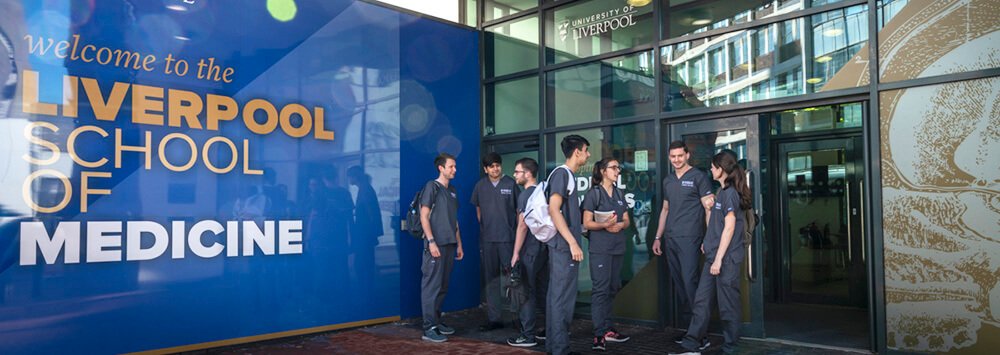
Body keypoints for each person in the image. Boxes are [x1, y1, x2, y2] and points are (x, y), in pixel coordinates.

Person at [673, 150, 751, 355]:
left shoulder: (732, 194)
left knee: (728, 306)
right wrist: (708, 235)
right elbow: (717, 224)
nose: (710, 169)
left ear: (722, 169)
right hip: (713, 256)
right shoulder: (721, 193)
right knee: (701, 301)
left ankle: (731, 348)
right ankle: (691, 344)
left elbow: (730, 227)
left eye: (713, 166)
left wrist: (717, 259)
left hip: (725, 260)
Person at [652, 141, 714, 347]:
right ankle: (692, 331)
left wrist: (708, 238)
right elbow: (665, 210)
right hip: (670, 239)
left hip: (690, 238)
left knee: (690, 284)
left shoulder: (699, 177)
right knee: (681, 287)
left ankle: (700, 336)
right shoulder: (668, 180)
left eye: (680, 156)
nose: (676, 160)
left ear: (687, 155)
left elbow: (708, 209)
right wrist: (658, 237)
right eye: (673, 157)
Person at [546, 134, 590, 355]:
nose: (588, 154)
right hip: (563, 247)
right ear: (577, 152)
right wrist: (573, 242)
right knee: (562, 297)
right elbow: (554, 209)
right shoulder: (563, 175)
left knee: (559, 296)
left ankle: (556, 347)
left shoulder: (567, 176)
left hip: (563, 245)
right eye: (586, 150)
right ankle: (559, 349)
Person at [581, 158, 632, 351]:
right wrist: (604, 225)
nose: (617, 170)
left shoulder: (619, 193)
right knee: (601, 290)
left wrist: (621, 224)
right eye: (614, 167)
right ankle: (598, 334)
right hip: (600, 250)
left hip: (618, 248)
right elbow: (587, 223)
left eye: (618, 167)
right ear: (603, 171)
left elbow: (626, 219)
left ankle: (609, 329)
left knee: (612, 288)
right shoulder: (594, 194)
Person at [470, 152, 520, 331]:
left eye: (498, 165)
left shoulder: (511, 184)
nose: (495, 168)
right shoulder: (480, 186)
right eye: (491, 166)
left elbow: (518, 211)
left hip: (507, 240)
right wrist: (486, 228)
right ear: (486, 169)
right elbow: (478, 211)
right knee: (491, 280)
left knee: (513, 279)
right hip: (488, 240)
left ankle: (517, 318)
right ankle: (495, 319)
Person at [419, 153, 465, 342]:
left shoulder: (452, 190)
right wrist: (431, 242)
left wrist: (459, 243)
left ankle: (436, 322)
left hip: (449, 244)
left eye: (455, 167)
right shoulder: (432, 187)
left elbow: (454, 221)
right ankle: (428, 327)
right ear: (441, 168)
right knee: (431, 286)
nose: (454, 170)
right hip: (435, 244)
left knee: (443, 286)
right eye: (451, 167)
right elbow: (424, 216)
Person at [507, 157, 549, 348]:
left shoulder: (526, 195)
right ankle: (551, 330)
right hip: (544, 250)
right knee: (543, 291)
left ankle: (528, 335)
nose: (515, 175)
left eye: (517, 171)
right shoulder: (544, 192)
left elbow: (522, 226)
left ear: (528, 173)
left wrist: (515, 253)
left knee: (526, 293)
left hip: (529, 251)